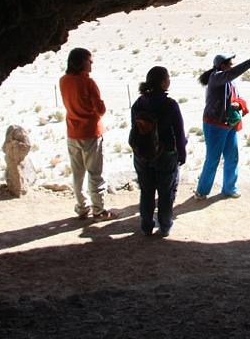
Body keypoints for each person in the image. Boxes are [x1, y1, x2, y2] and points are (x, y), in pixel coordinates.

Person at [194, 50, 250, 199]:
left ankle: (229, 188)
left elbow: (238, 97)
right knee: (213, 159)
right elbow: (230, 74)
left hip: (229, 124)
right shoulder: (215, 77)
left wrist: (238, 105)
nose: (232, 66)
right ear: (222, 66)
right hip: (214, 125)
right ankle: (202, 191)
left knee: (232, 157)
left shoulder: (230, 82)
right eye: (230, 64)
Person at [58, 48, 117, 221]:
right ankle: (98, 210)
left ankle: (82, 207)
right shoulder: (88, 83)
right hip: (91, 133)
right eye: (89, 60)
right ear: (81, 62)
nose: (91, 63)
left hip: (72, 133)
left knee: (78, 173)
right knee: (95, 173)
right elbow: (100, 109)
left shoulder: (64, 81)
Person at [129, 66, 187, 237]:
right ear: (163, 83)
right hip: (166, 154)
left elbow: (135, 129)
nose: (169, 80)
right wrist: (182, 153)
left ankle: (146, 226)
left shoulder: (139, 103)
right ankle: (165, 225)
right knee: (165, 192)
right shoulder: (170, 104)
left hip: (142, 154)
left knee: (146, 191)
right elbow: (179, 132)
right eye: (168, 78)